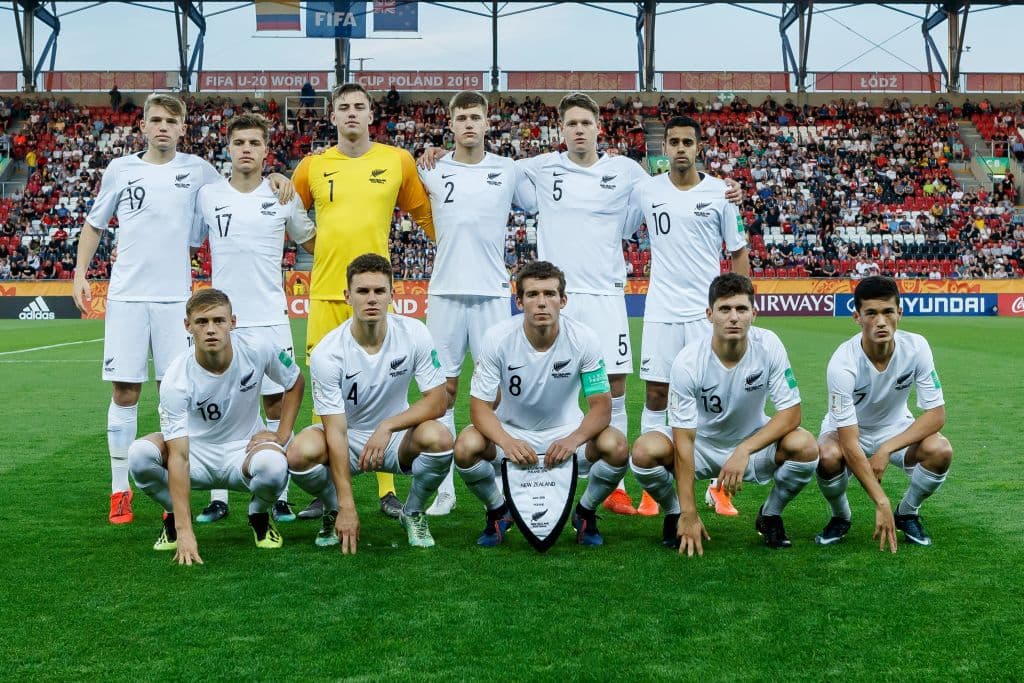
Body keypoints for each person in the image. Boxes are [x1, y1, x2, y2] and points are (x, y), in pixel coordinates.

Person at [72, 92, 292, 524]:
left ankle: (198, 488)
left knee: (188, 392)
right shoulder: (120, 169)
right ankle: (121, 491)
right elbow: (95, 224)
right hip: (127, 295)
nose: (163, 128)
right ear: (143, 127)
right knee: (125, 391)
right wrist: (81, 272)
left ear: (182, 128)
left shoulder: (199, 171)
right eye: (155, 120)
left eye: (171, 122)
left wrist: (280, 175)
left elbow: (244, 180)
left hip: (177, 298)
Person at [292, 82, 434, 520]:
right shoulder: (313, 165)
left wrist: (438, 162)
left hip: (373, 294)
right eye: (343, 108)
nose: (351, 113)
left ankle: (386, 487)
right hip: (326, 293)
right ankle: (331, 491)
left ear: (371, 114)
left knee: (385, 386)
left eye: (359, 107)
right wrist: (317, 244)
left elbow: (425, 214)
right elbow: (287, 212)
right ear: (331, 116)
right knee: (327, 392)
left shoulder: (397, 161)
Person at [631, 274, 819, 553]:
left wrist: (743, 450)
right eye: (725, 309)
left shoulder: (769, 345)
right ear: (709, 314)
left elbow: (791, 414)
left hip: (752, 444)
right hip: (701, 447)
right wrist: (688, 512)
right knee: (644, 451)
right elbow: (683, 440)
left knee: (805, 447)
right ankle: (673, 513)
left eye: (741, 309)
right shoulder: (688, 362)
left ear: (754, 313)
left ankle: (770, 515)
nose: (734, 317)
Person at [192, 113, 316, 524]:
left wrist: (287, 179)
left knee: (277, 402)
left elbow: (311, 240)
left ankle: (278, 492)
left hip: (270, 316)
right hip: (224, 320)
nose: (246, 149)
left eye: (254, 143)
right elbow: (190, 239)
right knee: (219, 401)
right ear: (229, 148)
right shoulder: (208, 195)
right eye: (239, 142)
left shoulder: (283, 195)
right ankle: (218, 495)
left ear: (266, 150)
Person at [416, 90, 535, 516]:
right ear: (450, 124)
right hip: (445, 292)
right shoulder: (430, 168)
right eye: (461, 117)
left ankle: (509, 474)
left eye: (475, 117)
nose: (468, 123)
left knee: (496, 391)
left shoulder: (508, 170)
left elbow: (547, 203)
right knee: (443, 390)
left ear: (487, 123)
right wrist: (427, 152)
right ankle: (445, 486)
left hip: (490, 293)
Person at [454, 261, 629, 547]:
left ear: (563, 300)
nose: (541, 303)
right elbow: (479, 408)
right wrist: (507, 442)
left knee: (617, 446)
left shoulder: (584, 338)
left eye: (549, 294)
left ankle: (585, 512)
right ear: (519, 301)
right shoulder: (497, 339)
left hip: (566, 436)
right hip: (511, 435)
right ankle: (498, 511)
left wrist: (573, 439)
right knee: (465, 446)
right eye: (532, 295)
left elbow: (601, 406)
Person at [285, 254, 453, 551]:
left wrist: (388, 426)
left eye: (379, 291)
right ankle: (333, 508)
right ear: (347, 296)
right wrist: (348, 505)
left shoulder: (415, 333)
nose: (371, 299)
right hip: (346, 437)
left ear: (392, 294)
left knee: (440, 437)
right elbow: (335, 431)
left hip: (395, 438)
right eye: (363, 291)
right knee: (299, 453)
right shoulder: (328, 353)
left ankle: (412, 511)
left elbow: (438, 401)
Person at [127, 288, 305, 565]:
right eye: (202, 322)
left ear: (232, 322)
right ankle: (174, 518)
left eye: (219, 321)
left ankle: (258, 514)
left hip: (244, 451)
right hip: (194, 454)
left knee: (275, 466)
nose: (211, 329)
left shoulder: (259, 348)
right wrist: (187, 532)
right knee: (139, 455)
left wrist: (282, 434)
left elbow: (294, 381)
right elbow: (179, 456)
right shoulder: (176, 377)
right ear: (188, 326)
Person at [629, 115, 750, 518]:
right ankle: (653, 486)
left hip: (706, 313)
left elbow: (737, 252)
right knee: (657, 394)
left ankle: (719, 487)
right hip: (661, 309)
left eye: (687, 142)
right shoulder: (646, 190)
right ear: (664, 148)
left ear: (698, 148)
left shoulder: (721, 193)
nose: (680, 148)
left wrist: (741, 304)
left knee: (711, 397)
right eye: (674, 142)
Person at [814, 276, 952, 550]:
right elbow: (849, 440)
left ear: (899, 313)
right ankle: (840, 517)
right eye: (871, 313)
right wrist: (881, 500)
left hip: (897, 429)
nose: (881, 321)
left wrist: (886, 448)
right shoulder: (842, 363)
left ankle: (908, 511)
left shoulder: (917, 347)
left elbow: (936, 415)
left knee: (941, 450)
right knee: (827, 456)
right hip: (850, 431)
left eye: (888, 312)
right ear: (857, 317)